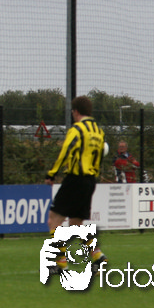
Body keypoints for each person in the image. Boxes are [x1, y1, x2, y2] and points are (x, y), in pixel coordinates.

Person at [44, 96, 108, 276]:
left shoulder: (77, 129)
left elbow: (66, 151)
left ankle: (60, 262)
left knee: (53, 219)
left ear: (76, 111)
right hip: (90, 180)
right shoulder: (99, 132)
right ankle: (99, 257)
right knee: (76, 224)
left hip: (75, 179)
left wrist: (52, 173)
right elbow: (100, 156)